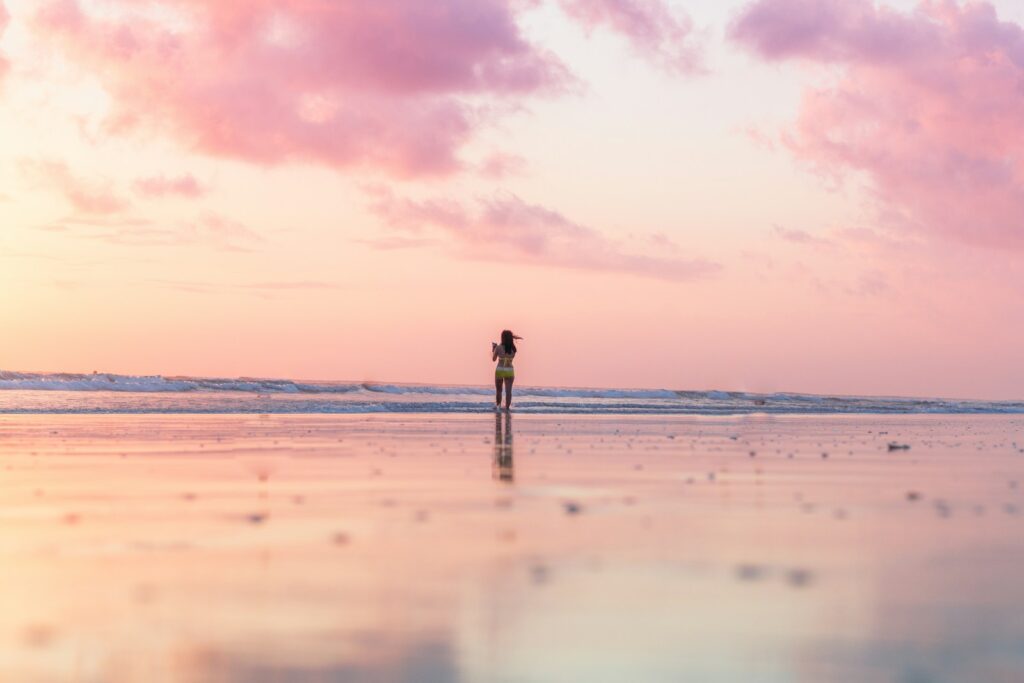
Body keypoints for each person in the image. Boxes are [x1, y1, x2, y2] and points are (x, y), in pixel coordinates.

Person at [492, 330, 520, 410]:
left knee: (499, 390)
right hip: (509, 370)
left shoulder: (498, 347)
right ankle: (507, 408)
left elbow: (494, 359)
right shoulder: (513, 349)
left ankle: (498, 407)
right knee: (508, 391)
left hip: (500, 369)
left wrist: (494, 349)